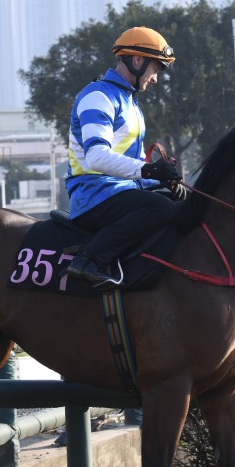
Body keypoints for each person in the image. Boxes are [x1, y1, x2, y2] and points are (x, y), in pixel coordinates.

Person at [64, 26, 183, 287]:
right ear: (137, 60)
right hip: (92, 196)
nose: (155, 78)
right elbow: (96, 157)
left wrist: (163, 181)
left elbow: (134, 165)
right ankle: (89, 260)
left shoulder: (130, 104)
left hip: (119, 193)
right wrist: (150, 171)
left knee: (178, 205)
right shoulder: (98, 96)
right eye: (155, 69)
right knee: (159, 208)